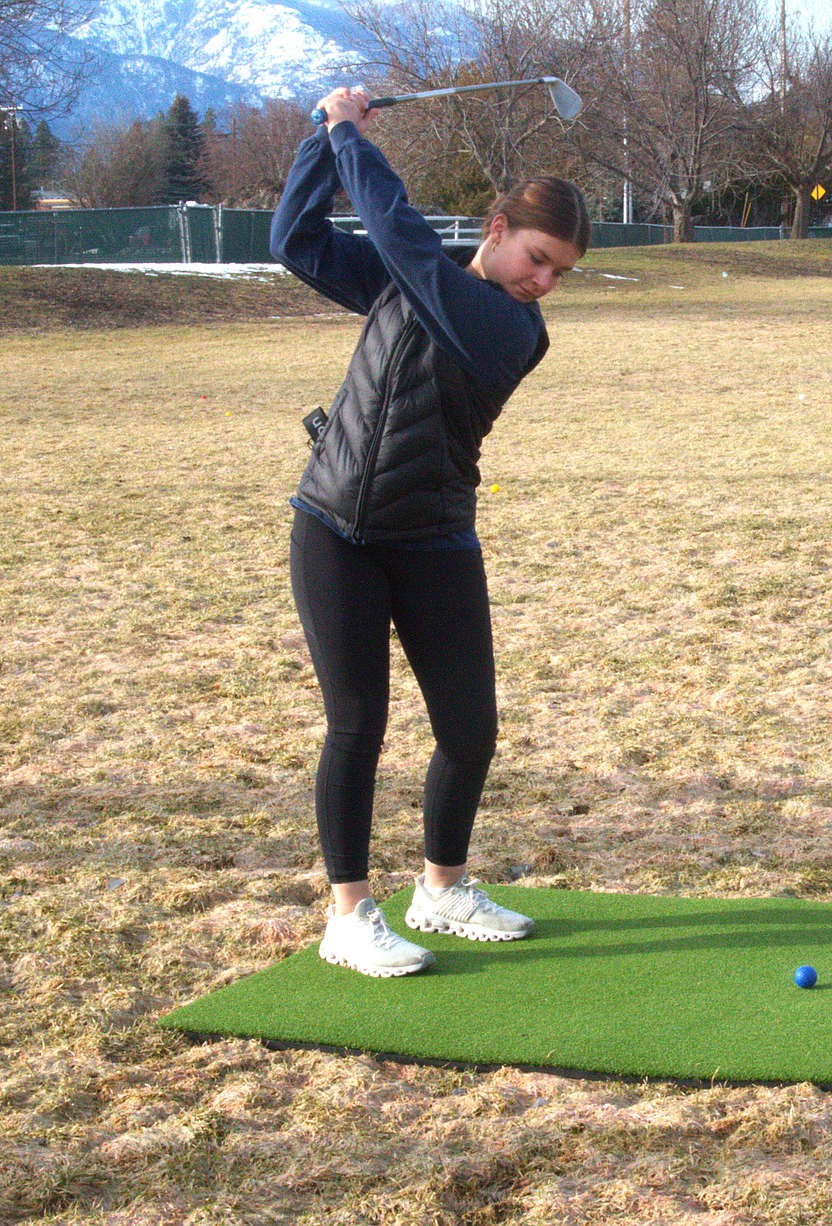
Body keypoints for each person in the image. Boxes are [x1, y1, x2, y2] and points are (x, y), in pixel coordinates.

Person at [270, 87, 589, 978]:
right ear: (496, 229)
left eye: (561, 271)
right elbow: (296, 243)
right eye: (538, 258)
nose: (545, 282)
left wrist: (348, 135)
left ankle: (441, 888)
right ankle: (349, 914)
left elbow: (402, 239)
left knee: (470, 729)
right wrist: (318, 146)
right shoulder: (420, 277)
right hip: (336, 527)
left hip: (434, 536)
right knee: (357, 723)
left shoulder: (510, 328)